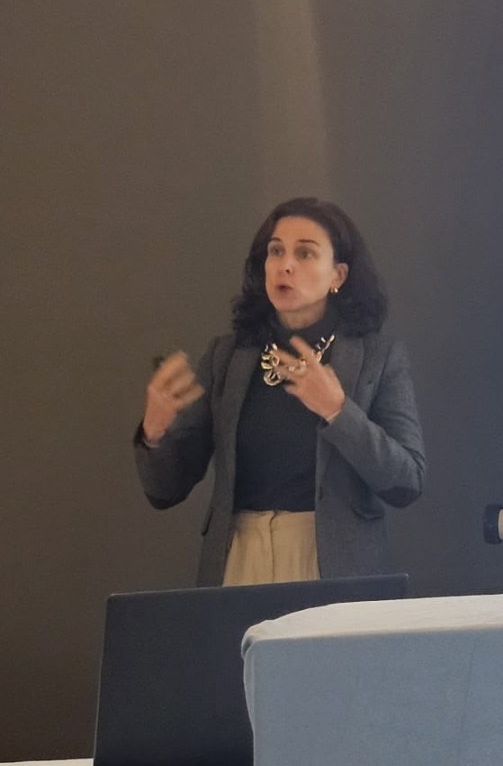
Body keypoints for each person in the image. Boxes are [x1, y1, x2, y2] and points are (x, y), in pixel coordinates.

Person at [134, 198, 425, 586]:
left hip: (332, 560)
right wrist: (153, 435)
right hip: (239, 558)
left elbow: (406, 481)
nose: (285, 264)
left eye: (305, 253)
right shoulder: (228, 356)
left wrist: (339, 411)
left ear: (338, 275)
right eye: (276, 251)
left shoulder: (377, 357)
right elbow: (167, 489)